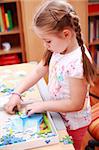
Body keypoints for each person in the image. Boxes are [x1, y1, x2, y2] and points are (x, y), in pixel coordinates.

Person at [5, 0, 96, 149]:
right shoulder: (57, 48)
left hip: (73, 124)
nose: (45, 45)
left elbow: (75, 104)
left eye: (47, 40)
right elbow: (38, 69)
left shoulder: (77, 62)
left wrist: (42, 105)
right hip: (57, 113)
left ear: (66, 34)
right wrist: (17, 93)